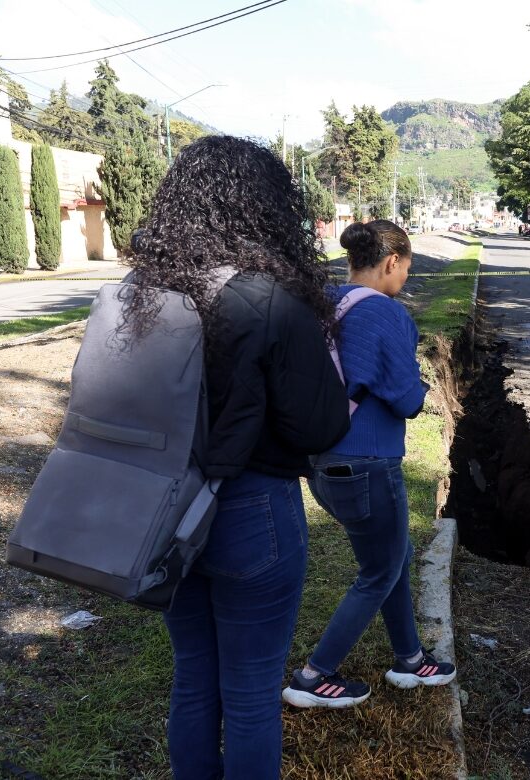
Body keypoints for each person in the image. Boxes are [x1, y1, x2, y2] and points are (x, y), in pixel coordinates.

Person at [128, 136, 351, 779]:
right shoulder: (269, 299)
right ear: (266, 209)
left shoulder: (145, 294)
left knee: (194, 679)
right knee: (251, 697)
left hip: (164, 508)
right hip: (252, 511)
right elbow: (319, 425)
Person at [282, 219, 456, 709]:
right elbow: (406, 400)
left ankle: (410, 659)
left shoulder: (325, 303)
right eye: (406, 271)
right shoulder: (384, 313)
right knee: (379, 571)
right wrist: (418, 387)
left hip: (324, 462)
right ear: (391, 262)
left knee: (391, 557)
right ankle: (313, 676)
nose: (404, 282)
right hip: (368, 465)